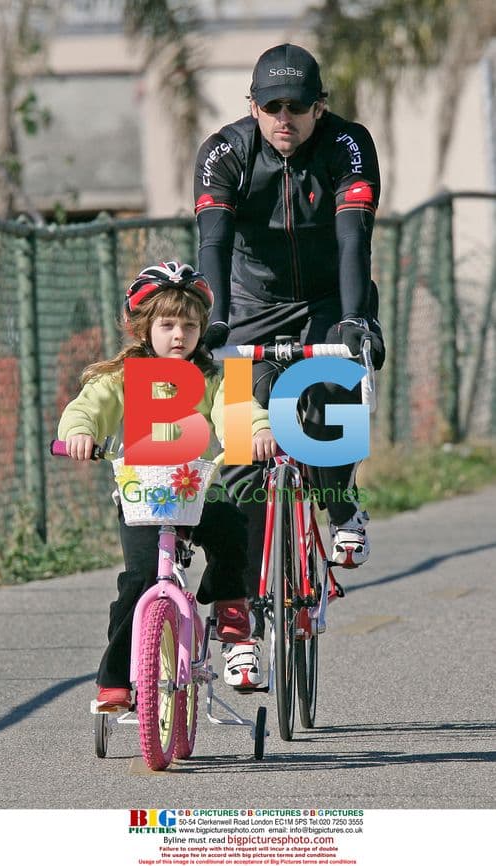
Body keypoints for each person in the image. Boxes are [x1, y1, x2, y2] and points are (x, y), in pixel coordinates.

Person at [193, 43, 386, 687]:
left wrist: (357, 321)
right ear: (251, 105)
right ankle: (239, 622)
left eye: (297, 107)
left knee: (329, 398)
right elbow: (213, 243)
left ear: (318, 107)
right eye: (270, 106)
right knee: (245, 457)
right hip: (250, 305)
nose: (284, 117)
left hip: (333, 298)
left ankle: (339, 504)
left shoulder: (347, 146)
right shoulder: (225, 152)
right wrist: (213, 323)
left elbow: (354, 236)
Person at [57, 261, 276, 707]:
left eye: (190, 325)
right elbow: (87, 408)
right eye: (168, 324)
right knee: (136, 581)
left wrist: (255, 431)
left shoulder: (214, 376)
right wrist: (78, 434)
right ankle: (114, 678)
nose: (180, 335)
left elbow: (237, 410)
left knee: (234, 527)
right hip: (142, 495)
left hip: (196, 490)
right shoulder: (118, 377)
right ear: (144, 328)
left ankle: (231, 606)